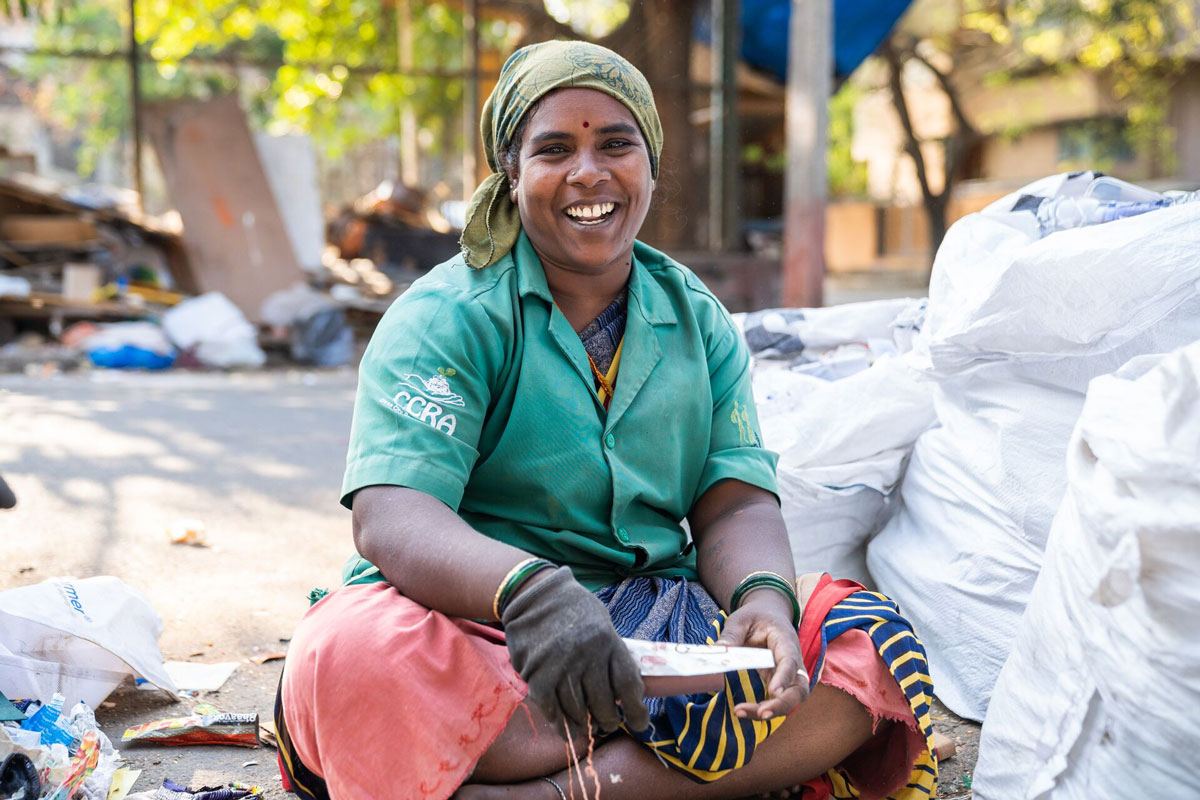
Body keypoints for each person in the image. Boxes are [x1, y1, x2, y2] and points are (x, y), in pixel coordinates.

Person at [275, 40, 936, 800]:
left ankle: (555, 791)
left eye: (616, 144)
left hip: (655, 619)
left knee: (869, 644)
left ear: (650, 165)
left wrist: (761, 602)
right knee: (347, 658)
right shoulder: (444, 316)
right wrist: (530, 593)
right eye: (554, 149)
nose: (589, 172)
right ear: (511, 174)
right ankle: (650, 770)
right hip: (482, 623)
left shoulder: (697, 319)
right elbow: (392, 516)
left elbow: (735, 500)